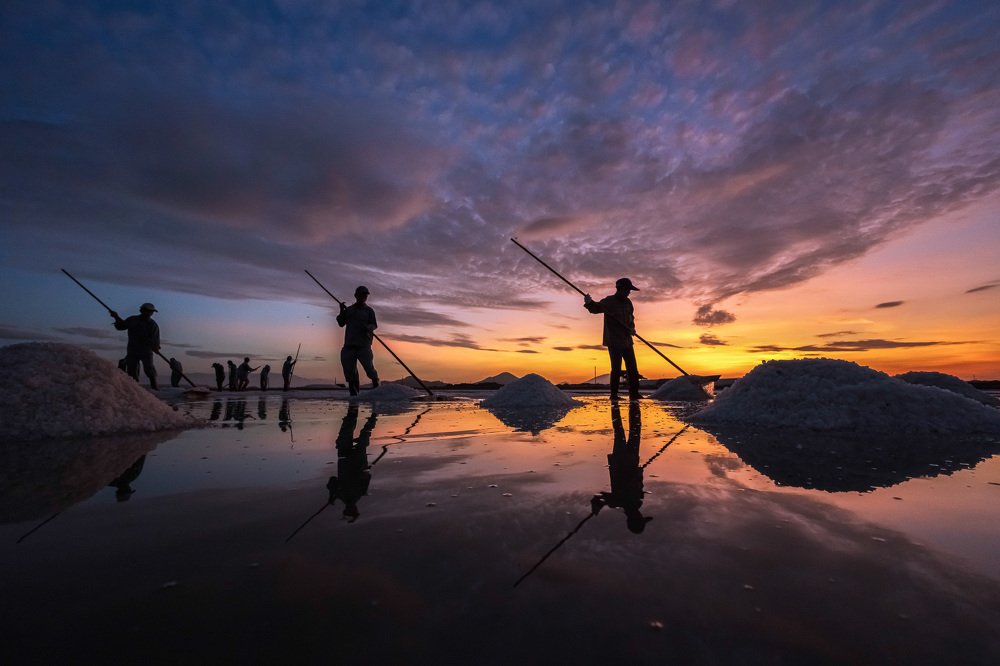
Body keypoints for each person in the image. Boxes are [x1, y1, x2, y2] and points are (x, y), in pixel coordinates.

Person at [591, 402, 650, 533]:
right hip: (630, 459)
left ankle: (620, 404)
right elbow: (600, 498)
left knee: (624, 430)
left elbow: (598, 498)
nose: (640, 515)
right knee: (628, 429)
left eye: (640, 518)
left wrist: (598, 506)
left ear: (635, 518)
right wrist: (639, 472)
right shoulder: (629, 501)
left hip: (621, 460)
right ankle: (632, 405)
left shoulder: (620, 502)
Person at [584, 278, 641, 401]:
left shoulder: (628, 303)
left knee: (632, 368)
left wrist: (632, 329)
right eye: (628, 290)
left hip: (627, 341)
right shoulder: (609, 301)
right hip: (614, 341)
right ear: (621, 289)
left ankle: (634, 393)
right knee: (616, 368)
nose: (629, 293)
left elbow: (631, 318)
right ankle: (614, 395)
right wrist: (589, 303)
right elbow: (596, 308)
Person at [328, 404, 377, 521]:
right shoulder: (360, 492)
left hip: (344, 457)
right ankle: (374, 414)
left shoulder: (340, 495)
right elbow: (367, 476)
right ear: (355, 508)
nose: (351, 508)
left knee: (347, 431)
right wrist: (363, 473)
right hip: (358, 459)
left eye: (348, 510)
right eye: (353, 510)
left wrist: (332, 494)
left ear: (346, 509)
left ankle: (353, 410)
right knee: (365, 433)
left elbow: (332, 480)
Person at [336, 286, 380, 396]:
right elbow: (341, 323)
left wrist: (369, 327)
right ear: (356, 295)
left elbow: (374, 325)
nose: (363, 297)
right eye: (361, 295)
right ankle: (354, 397)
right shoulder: (349, 310)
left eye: (365, 295)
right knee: (350, 373)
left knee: (370, 370)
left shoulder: (369, 311)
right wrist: (341, 310)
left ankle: (378, 391)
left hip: (363, 346)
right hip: (349, 346)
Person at [110, 302, 160, 390]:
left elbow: (155, 339)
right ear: (141, 311)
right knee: (132, 369)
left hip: (146, 350)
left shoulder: (153, 325)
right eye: (147, 311)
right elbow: (121, 326)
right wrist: (116, 317)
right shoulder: (132, 320)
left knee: (149, 369)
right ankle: (134, 389)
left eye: (151, 312)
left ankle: (155, 387)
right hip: (133, 349)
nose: (149, 313)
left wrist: (155, 347)